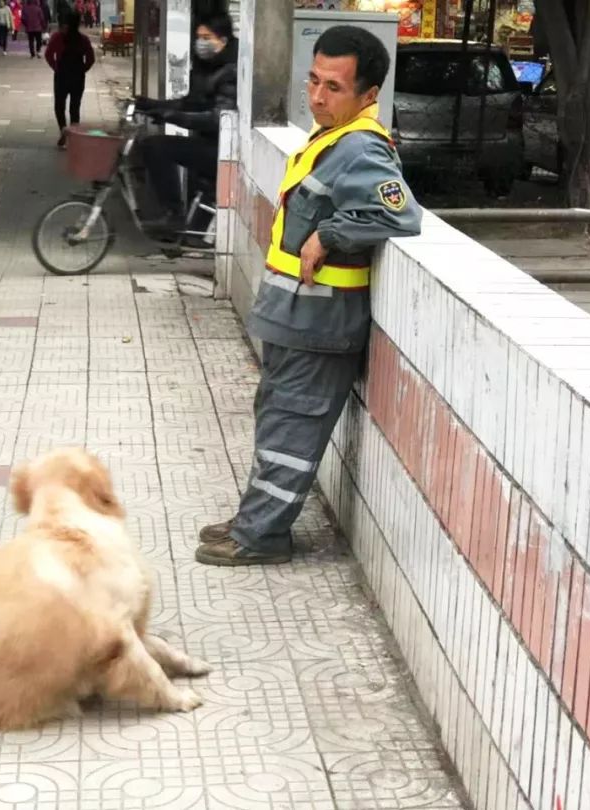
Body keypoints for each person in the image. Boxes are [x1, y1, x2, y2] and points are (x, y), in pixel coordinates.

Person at [194, 26, 422, 566]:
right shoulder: (330, 138)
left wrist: (332, 235)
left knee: (291, 426)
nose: (317, 97)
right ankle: (256, 519)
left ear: (369, 96)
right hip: (298, 316)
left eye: (334, 87)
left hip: (322, 324)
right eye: (313, 81)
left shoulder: (363, 146)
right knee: (277, 418)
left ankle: (261, 538)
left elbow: (398, 213)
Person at [135, 14, 237, 233]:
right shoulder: (206, 67)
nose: (201, 43)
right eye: (198, 37)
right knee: (150, 145)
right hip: (208, 143)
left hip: (224, 150)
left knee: (156, 147)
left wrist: (172, 117)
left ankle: (173, 215)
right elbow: (189, 103)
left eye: (207, 37)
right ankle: (183, 228)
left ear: (224, 40)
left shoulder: (230, 71)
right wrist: (152, 104)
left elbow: (217, 119)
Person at [44, 12, 94, 148]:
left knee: (59, 105)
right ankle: (74, 136)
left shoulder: (57, 37)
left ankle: (63, 129)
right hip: (77, 77)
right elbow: (91, 59)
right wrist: (83, 69)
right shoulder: (83, 39)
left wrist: (56, 67)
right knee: (75, 107)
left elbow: (48, 54)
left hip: (62, 76)